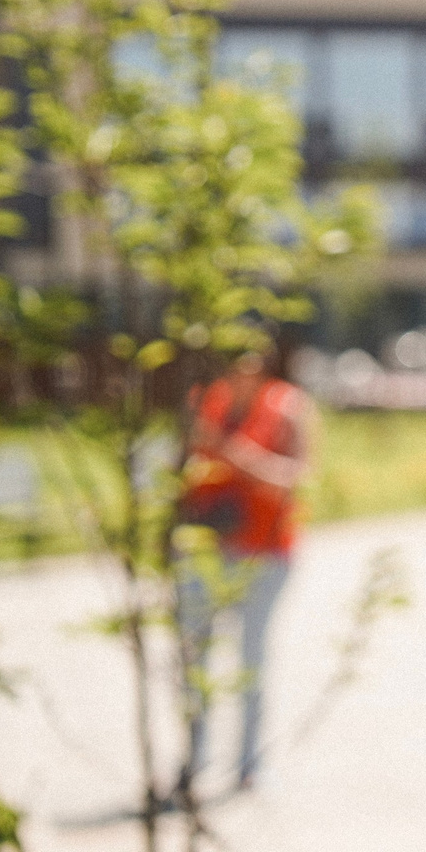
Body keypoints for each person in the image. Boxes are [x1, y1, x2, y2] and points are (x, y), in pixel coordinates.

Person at [174, 340, 314, 793]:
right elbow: (175, 474)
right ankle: (193, 761)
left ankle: (250, 763)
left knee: (251, 659)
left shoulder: (289, 408)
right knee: (194, 660)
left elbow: (293, 479)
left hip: (263, 551)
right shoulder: (204, 403)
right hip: (205, 548)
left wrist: (234, 453)